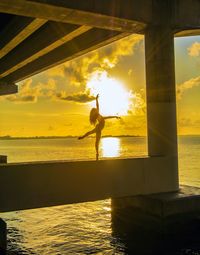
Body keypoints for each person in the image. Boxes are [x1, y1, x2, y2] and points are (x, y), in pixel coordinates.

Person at [78, 94, 120, 160]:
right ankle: (96, 152)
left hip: (99, 129)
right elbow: (98, 106)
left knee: (95, 140)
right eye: (95, 111)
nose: (96, 111)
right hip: (99, 128)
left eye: (95, 111)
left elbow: (108, 117)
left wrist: (115, 116)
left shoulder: (100, 116)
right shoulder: (98, 115)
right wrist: (96, 99)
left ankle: (96, 153)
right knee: (95, 140)